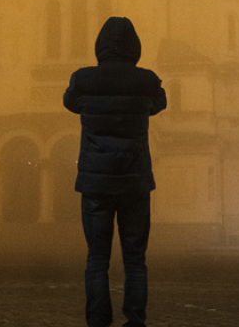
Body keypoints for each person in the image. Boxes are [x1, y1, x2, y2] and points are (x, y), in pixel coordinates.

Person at [63, 16, 168, 327]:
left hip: (96, 183)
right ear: (134, 47)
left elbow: (70, 103)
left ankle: (98, 320)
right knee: (135, 260)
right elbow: (158, 104)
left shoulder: (84, 79)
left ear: (101, 46)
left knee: (97, 259)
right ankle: (135, 321)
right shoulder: (147, 81)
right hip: (135, 182)